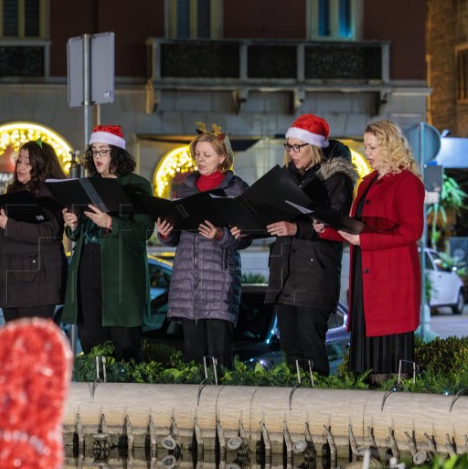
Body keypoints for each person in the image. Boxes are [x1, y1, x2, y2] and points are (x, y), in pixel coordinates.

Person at [242, 114, 359, 376]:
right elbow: (271, 217)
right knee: (290, 349)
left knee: (310, 347)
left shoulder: (336, 177)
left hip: (315, 270)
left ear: (315, 146)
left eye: (298, 146)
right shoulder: (286, 177)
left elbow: (334, 224)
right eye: (289, 146)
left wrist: (297, 228)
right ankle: (295, 412)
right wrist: (248, 224)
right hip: (283, 270)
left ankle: (317, 412)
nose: (292, 153)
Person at [317, 120, 424, 381]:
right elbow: (357, 228)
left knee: (389, 365)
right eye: (366, 147)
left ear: (391, 147)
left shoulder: (407, 182)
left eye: (374, 147)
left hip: (391, 285)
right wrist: (326, 229)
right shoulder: (367, 183)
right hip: (366, 282)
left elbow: (412, 231)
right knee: (366, 368)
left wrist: (366, 242)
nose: (368, 153)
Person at [156, 125, 252, 369]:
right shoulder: (185, 188)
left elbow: (247, 235)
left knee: (219, 360)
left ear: (222, 157)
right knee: (193, 360)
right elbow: (177, 235)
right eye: (197, 154)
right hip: (188, 283)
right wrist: (166, 234)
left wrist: (221, 235)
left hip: (219, 281)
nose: (200, 159)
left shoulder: (236, 188)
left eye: (207, 155)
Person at [61, 125, 155, 362]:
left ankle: (129, 397)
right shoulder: (86, 184)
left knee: (126, 346)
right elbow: (79, 234)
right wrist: (72, 225)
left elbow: (144, 230)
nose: (98, 157)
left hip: (121, 274)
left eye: (103, 151)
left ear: (117, 153)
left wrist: (110, 222)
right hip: (86, 270)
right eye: (94, 152)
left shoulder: (137, 185)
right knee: (92, 343)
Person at [0, 140, 67, 322]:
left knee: (33, 345)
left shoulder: (50, 194)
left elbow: (49, 232)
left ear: (41, 166)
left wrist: (8, 224)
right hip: (11, 281)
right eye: (19, 161)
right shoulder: (15, 191)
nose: (21, 167)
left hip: (36, 285)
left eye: (28, 162)